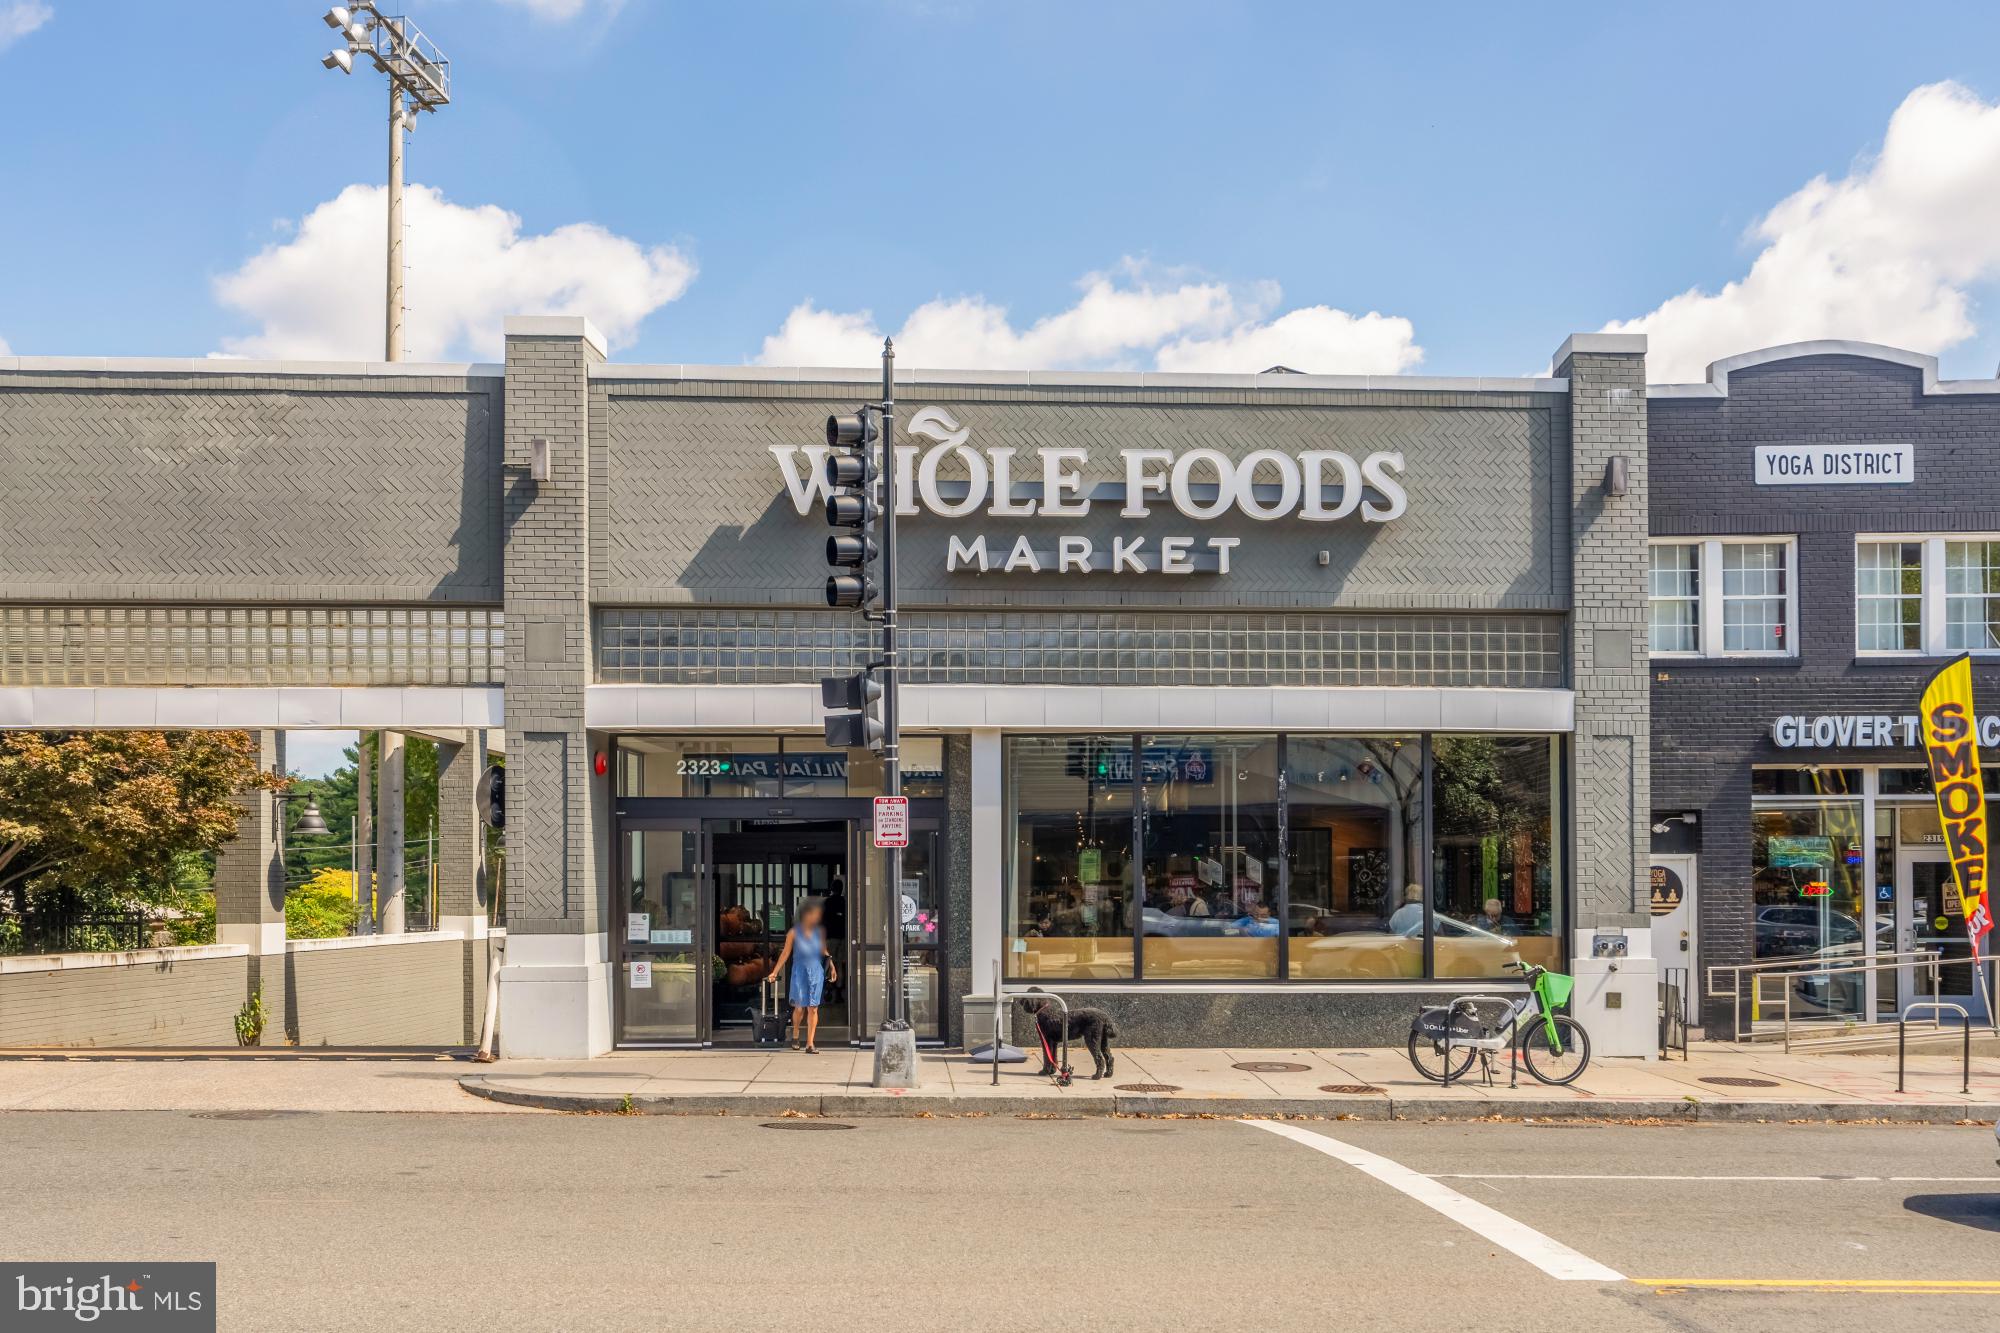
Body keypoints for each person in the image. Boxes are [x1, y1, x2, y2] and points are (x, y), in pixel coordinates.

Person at [770, 899, 837, 1053]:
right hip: (799, 972)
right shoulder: (794, 933)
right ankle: (795, 1033)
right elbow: (785, 953)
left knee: (813, 1008)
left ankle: (810, 1043)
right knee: (799, 1007)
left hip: (816, 972)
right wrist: (775, 971)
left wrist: (831, 966)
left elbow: (824, 951)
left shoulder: (819, 932)